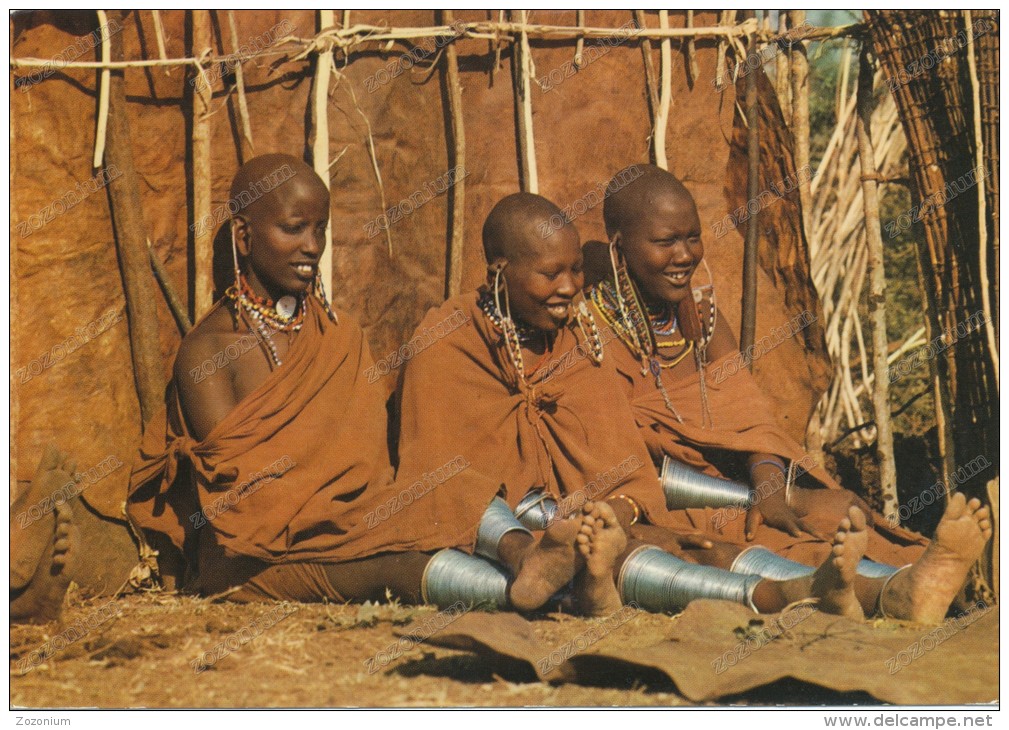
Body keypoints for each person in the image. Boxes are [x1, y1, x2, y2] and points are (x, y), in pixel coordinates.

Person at [126, 154, 621, 616]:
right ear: (243, 235)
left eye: (319, 229)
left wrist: (363, 507)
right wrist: (344, 513)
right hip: (256, 556)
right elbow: (238, 504)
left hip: (348, 517)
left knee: (446, 482)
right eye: (293, 229)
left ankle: (528, 555)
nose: (312, 247)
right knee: (395, 564)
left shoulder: (336, 336)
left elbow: (368, 464)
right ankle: (563, 597)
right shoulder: (209, 351)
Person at [391, 191, 889, 620]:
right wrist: (534, 541)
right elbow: (439, 481)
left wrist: (619, 513)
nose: (569, 288)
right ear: (501, 271)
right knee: (649, 550)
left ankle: (883, 586)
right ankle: (798, 593)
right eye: (549, 274)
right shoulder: (448, 343)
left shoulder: (578, 341)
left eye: (575, 270)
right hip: (510, 529)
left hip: (591, 520)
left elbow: (625, 472)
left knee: (696, 540)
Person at [585, 163, 993, 623]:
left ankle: (917, 581)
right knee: (739, 545)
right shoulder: (589, 332)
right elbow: (612, 462)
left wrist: (771, 488)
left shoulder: (700, 314)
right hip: (659, 503)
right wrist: (740, 501)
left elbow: (749, 415)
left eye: (692, 238)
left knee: (840, 510)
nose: (684, 255)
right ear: (621, 246)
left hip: (733, 487)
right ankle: (891, 592)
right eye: (665, 243)